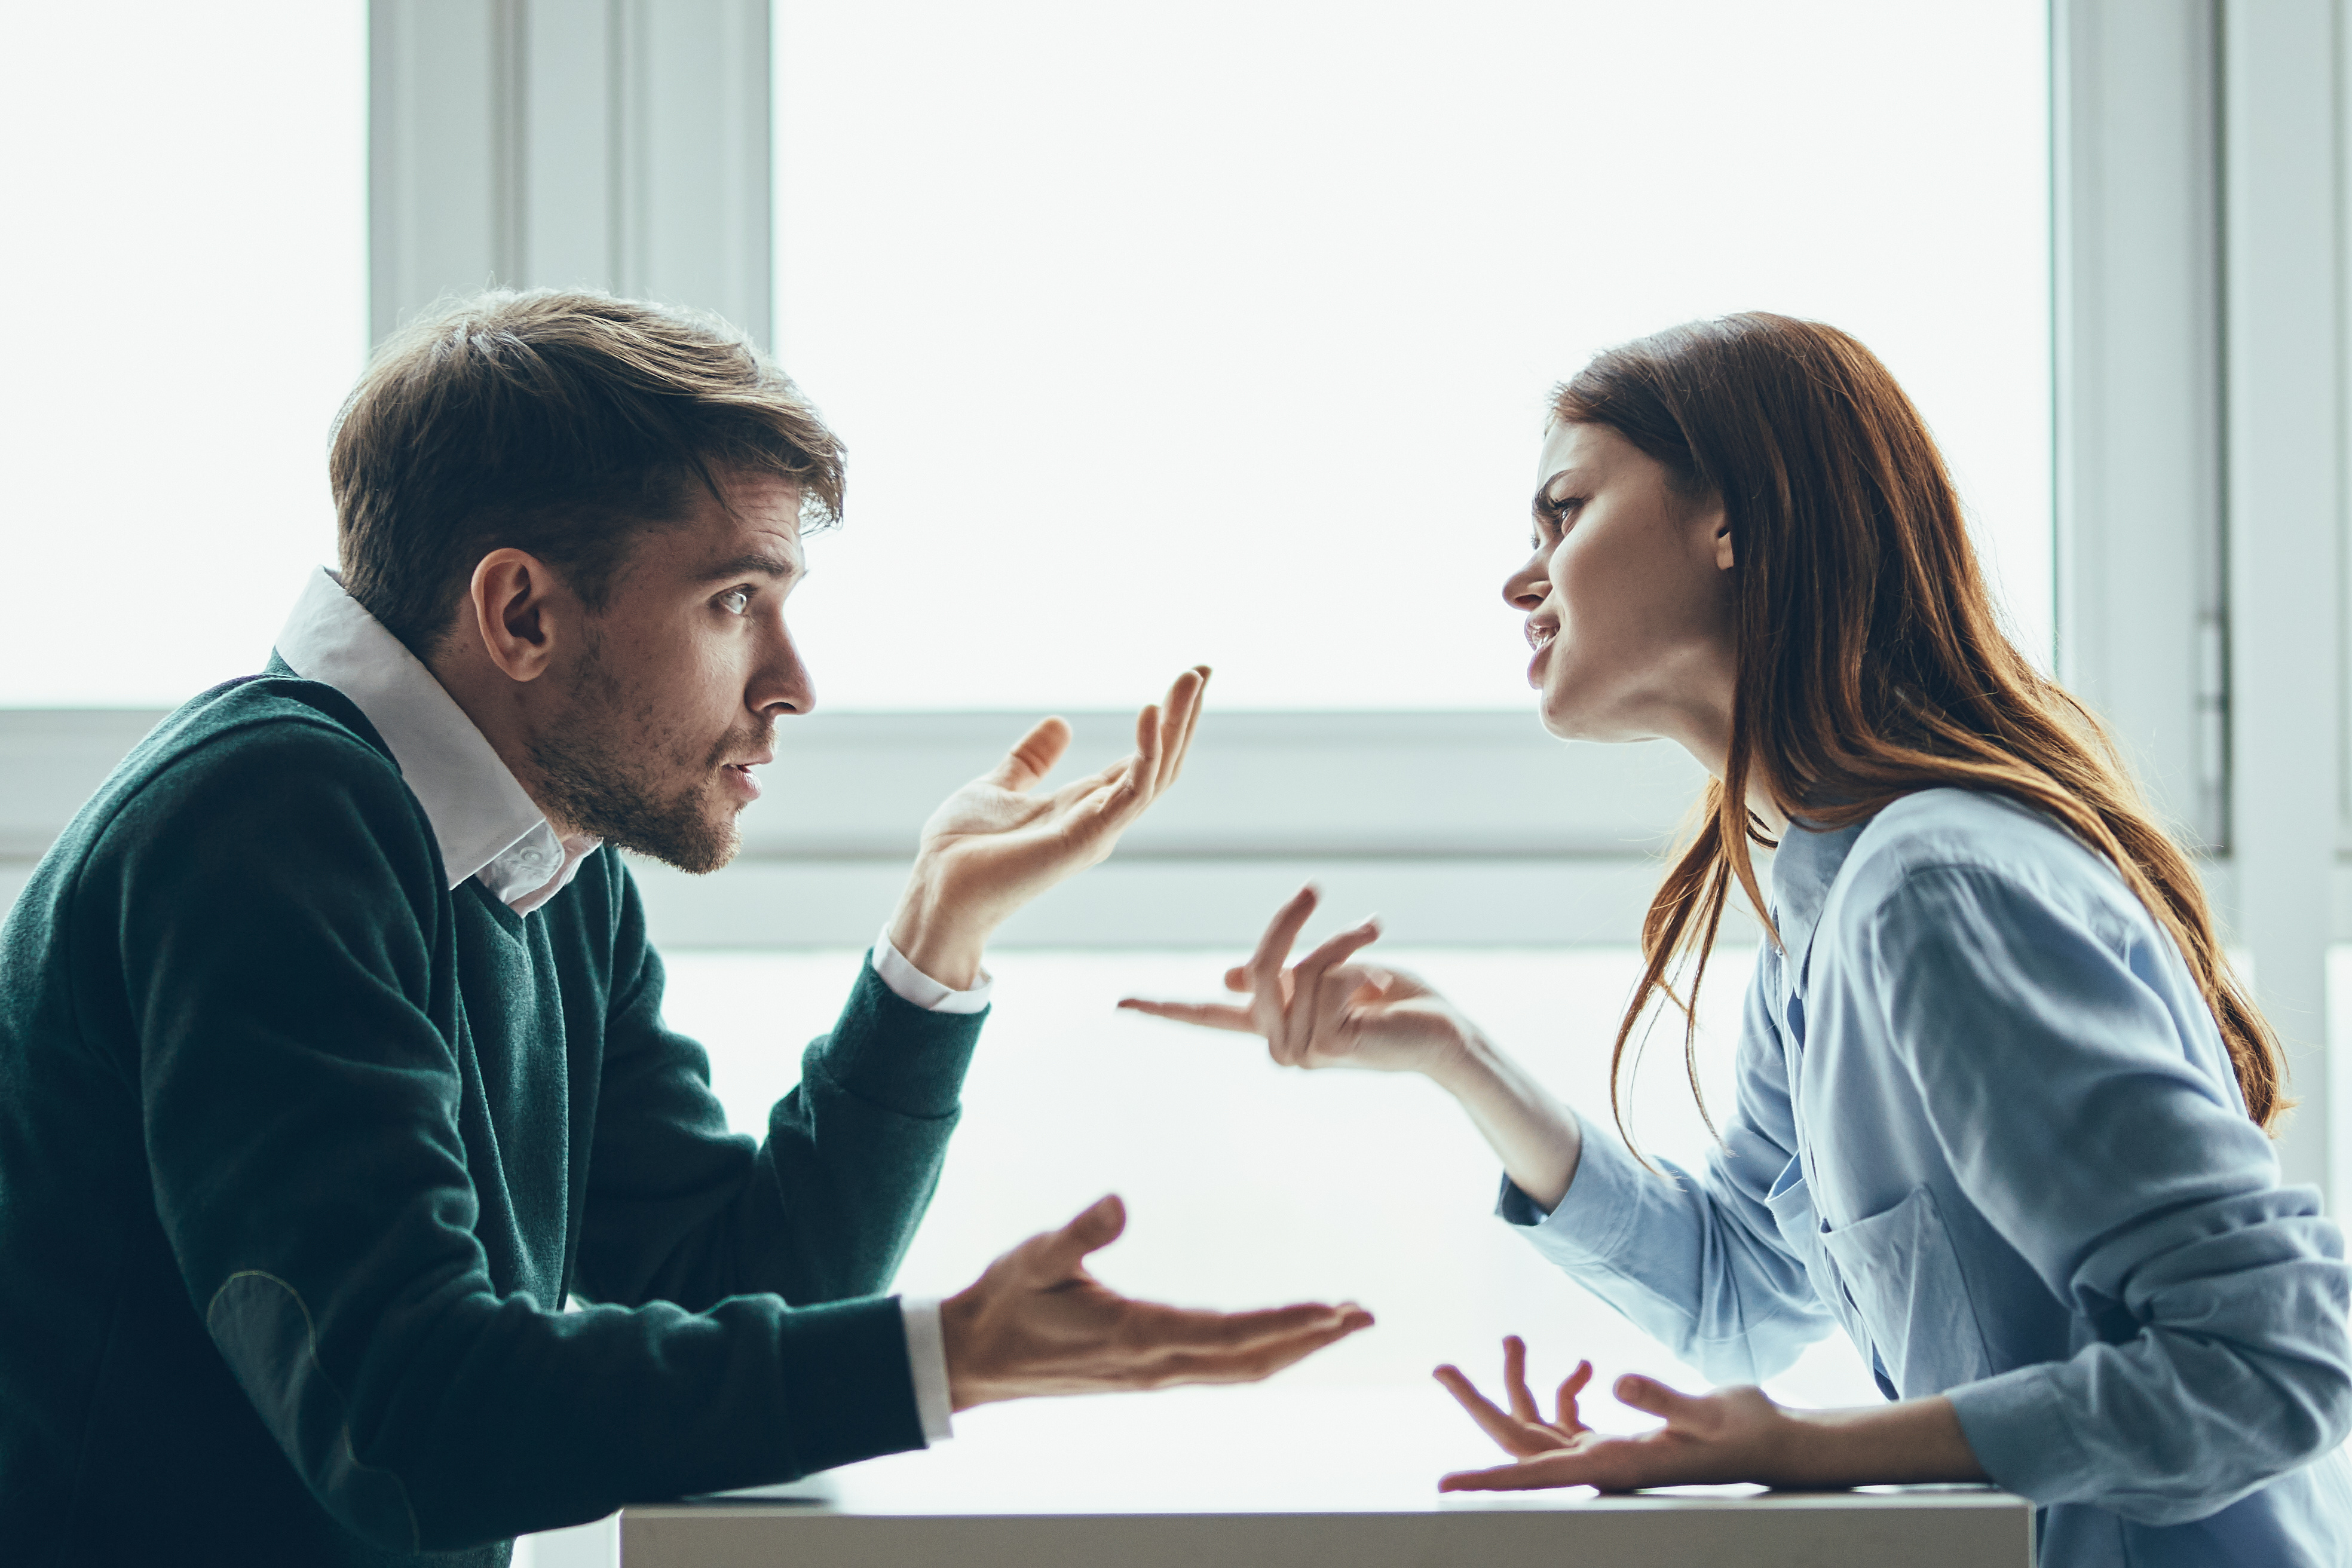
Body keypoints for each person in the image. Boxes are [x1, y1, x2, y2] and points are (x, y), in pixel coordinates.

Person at [0, 290, 1370, 1566]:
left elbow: (737, 1284)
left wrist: (935, 937)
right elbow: (408, 1418)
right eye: (734, 603)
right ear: (521, 609)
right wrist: (944, 1356)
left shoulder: (543, 852)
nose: (794, 684)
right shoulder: (272, 819)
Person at [1123, 313, 2352, 1566]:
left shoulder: (1934, 889)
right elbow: (1741, 1294)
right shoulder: (1827, 907)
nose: (1520, 577)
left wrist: (1805, 1451)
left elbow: (2274, 1356)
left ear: (1735, 523)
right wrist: (1458, 1058)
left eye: (1564, 511)